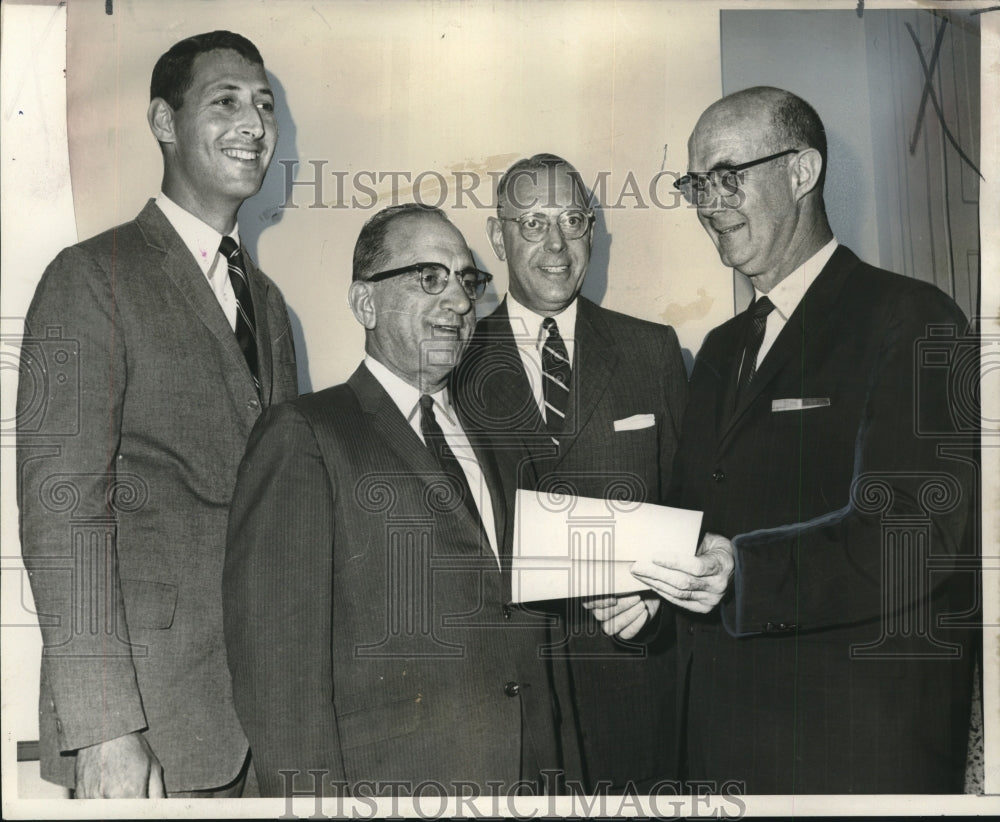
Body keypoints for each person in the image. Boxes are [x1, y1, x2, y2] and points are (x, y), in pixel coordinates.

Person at [608, 86, 977, 793]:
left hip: (849, 752)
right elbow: (703, 529)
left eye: (727, 175)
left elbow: (913, 533)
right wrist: (655, 594)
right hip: (722, 750)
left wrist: (743, 574)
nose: (707, 203)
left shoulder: (912, 318)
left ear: (802, 173)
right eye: (694, 184)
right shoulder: (719, 348)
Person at [16, 31, 298, 798]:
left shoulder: (269, 308)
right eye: (227, 101)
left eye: (265, 106)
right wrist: (106, 727)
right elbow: (62, 513)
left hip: (259, 722)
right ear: (164, 123)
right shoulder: (89, 277)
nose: (254, 123)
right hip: (150, 730)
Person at [223, 203, 567, 797]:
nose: (459, 302)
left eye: (467, 280)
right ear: (366, 303)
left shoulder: (501, 437)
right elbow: (278, 674)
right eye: (430, 278)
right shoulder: (306, 433)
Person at [453, 155, 689, 792]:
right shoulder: (452, 364)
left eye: (573, 220)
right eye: (532, 224)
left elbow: (696, 509)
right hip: (506, 697)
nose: (557, 245)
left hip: (634, 688)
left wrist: (657, 599)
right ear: (498, 237)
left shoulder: (654, 351)